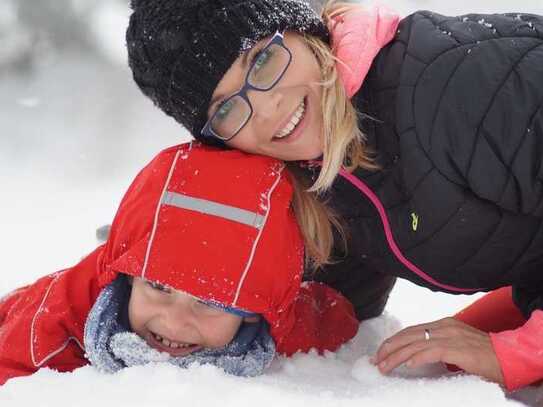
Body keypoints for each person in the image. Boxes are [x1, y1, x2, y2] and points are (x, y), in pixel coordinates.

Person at [124, 0, 543, 391]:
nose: (267, 109)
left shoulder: (455, 84)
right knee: (424, 366)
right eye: (226, 110)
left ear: (300, 30)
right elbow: (334, 308)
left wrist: (515, 354)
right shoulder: (319, 174)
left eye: (264, 60)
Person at [0, 143, 359, 386]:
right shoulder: (50, 325)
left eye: (209, 302)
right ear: (129, 277)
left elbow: (328, 317)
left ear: (253, 312)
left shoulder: (272, 321)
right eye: (158, 287)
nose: (173, 321)